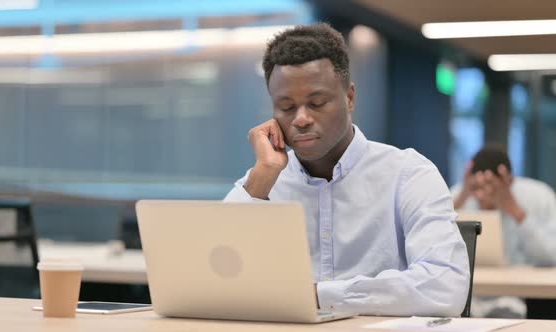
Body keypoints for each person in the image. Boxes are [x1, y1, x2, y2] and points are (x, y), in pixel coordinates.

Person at [224, 23, 469, 317]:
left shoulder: (408, 173)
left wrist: (317, 295)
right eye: (286, 107)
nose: (301, 119)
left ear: (349, 97)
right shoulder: (264, 182)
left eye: (317, 103)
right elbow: (216, 278)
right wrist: (263, 174)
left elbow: (445, 287)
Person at [452, 144, 556, 318]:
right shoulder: (459, 196)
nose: (482, 196)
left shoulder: (539, 196)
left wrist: (515, 211)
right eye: (478, 188)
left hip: (519, 300)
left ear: (510, 181)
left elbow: (551, 255)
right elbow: (434, 240)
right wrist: (462, 197)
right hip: (466, 298)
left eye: (491, 187)